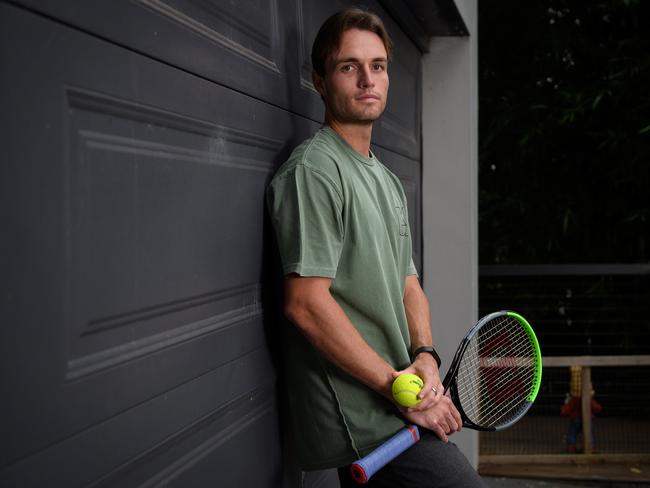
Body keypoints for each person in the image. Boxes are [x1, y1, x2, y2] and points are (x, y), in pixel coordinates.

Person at [266, 8, 485, 487]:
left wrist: (425, 355)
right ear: (320, 82)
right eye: (349, 66)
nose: (368, 79)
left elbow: (408, 281)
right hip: (366, 419)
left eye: (378, 66)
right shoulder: (314, 171)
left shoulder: (384, 178)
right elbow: (305, 304)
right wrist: (398, 387)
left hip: (400, 400)